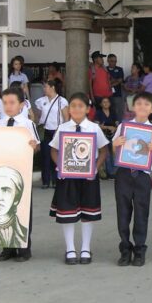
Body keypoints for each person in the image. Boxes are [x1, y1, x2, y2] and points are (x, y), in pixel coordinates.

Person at [49, 92, 109, 265]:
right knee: (67, 212)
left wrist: (95, 168)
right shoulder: (63, 128)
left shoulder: (94, 128)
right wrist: (60, 164)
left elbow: (104, 150)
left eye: (80, 106)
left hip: (88, 178)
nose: (76, 109)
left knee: (87, 213)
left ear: (88, 109)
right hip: (67, 177)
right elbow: (53, 149)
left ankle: (85, 248)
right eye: (73, 106)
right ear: (69, 109)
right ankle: (70, 249)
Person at [112, 92, 152, 267]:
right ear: (133, 107)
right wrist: (115, 145)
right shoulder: (124, 127)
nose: (142, 107)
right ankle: (125, 249)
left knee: (142, 213)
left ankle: (140, 250)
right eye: (139, 103)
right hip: (124, 174)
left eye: (146, 104)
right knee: (123, 213)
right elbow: (115, 151)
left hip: (143, 176)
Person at [0, 88, 40, 262]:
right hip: (2, 171)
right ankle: (7, 247)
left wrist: (34, 147)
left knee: (22, 208)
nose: (8, 106)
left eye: (12, 102)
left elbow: (36, 147)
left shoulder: (27, 124)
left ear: (21, 104)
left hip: (21, 171)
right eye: (5, 103)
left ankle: (24, 247)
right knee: (3, 207)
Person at [35, 79, 69, 189]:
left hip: (57, 130)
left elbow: (66, 117)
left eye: (46, 87)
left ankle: (56, 180)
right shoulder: (41, 101)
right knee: (45, 155)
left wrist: (65, 131)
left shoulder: (61, 101)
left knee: (56, 156)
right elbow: (39, 116)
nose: (44, 89)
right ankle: (45, 181)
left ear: (53, 87)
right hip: (46, 130)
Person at [95, 97, 119, 180]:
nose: (105, 103)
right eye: (104, 102)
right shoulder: (98, 113)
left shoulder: (113, 112)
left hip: (113, 135)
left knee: (114, 153)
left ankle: (114, 172)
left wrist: (114, 128)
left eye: (107, 102)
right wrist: (107, 127)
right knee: (107, 154)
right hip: (103, 135)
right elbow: (97, 125)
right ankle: (109, 172)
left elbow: (117, 123)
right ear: (101, 104)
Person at [106, 54, 125, 119]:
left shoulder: (119, 69)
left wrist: (110, 84)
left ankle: (119, 125)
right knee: (108, 110)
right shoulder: (105, 69)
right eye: (112, 61)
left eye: (115, 61)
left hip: (117, 94)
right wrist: (115, 80)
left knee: (118, 111)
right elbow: (105, 81)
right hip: (106, 94)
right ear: (108, 60)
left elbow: (120, 80)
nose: (114, 63)